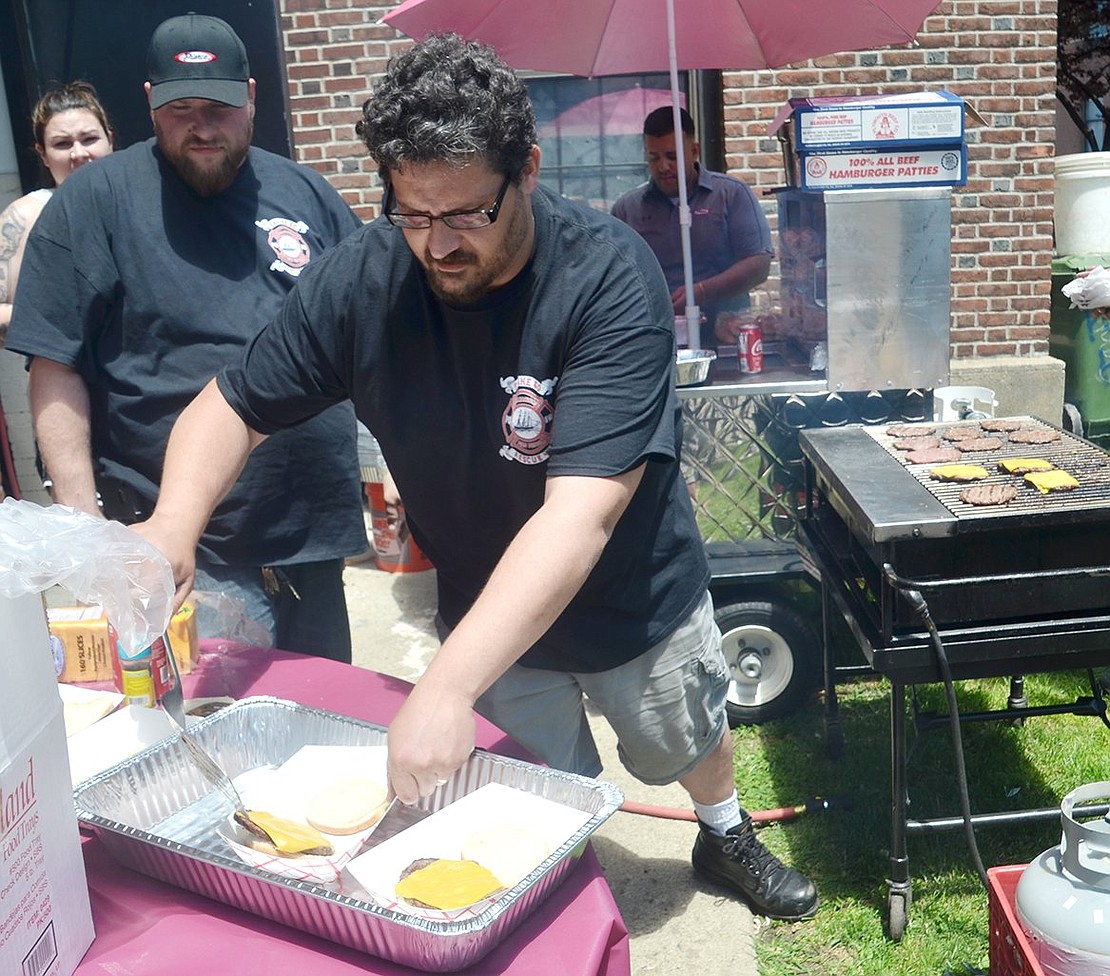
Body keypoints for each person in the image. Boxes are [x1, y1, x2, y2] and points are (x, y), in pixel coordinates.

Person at [134, 33, 819, 921]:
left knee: (684, 742)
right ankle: (573, 914)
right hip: (488, 611)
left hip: (631, 593)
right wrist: (170, 528)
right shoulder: (366, 277)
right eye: (412, 214)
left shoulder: (608, 276)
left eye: (466, 215)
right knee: (533, 797)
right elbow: (234, 404)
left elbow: (579, 518)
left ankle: (725, 832)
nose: (438, 246)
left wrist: (442, 688)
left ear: (526, 171)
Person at [7, 14, 366, 661]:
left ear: (252, 96)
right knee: (202, 739)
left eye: (220, 107)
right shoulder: (96, 201)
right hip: (178, 550)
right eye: (182, 108)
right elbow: (53, 365)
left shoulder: (306, 193)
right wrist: (87, 531)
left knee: (312, 737)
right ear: (149, 101)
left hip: (311, 535)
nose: (203, 125)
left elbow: (367, 336)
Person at [0, 82, 114, 498]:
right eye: (62, 144)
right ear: (42, 155)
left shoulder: (145, 202)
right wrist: (61, 322)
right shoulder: (27, 217)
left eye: (89, 138)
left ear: (110, 139)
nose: (79, 153)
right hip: (71, 413)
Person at [611, 106, 773, 345]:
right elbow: (613, 279)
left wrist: (703, 291)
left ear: (694, 150)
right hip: (654, 339)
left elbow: (759, 264)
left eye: (672, 156)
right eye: (654, 157)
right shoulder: (627, 209)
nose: (663, 166)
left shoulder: (731, 195)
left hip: (726, 334)